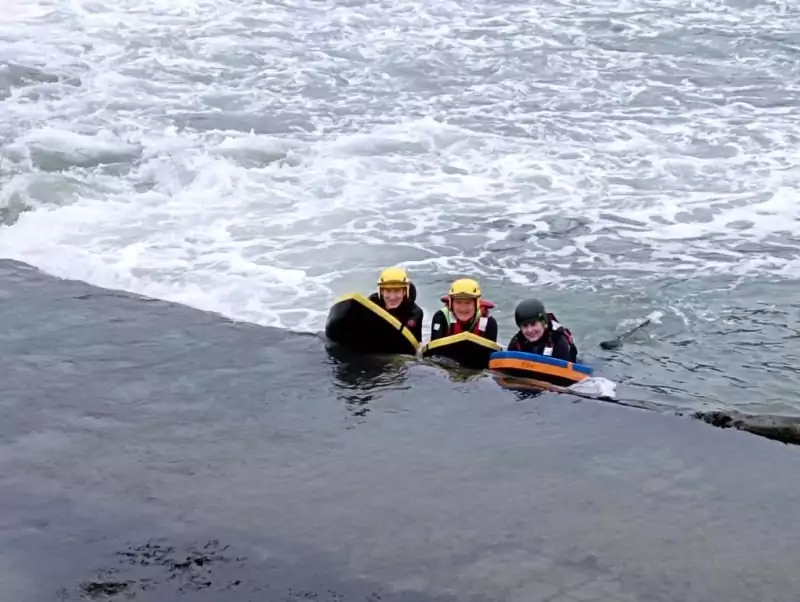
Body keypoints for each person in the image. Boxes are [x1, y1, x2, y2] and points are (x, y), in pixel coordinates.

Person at [507, 298, 578, 362]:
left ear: (543, 323)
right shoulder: (517, 341)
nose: (530, 330)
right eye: (525, 326)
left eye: (533, 324)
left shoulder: (558, 340)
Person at [430, 278, 498, 342]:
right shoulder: (441, 317)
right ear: (451, 303)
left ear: (477, 303)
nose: (463, 308)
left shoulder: (489, 322)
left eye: (468, 303)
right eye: (458, 302)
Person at [368, 267, 424, 341]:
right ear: (381, 292)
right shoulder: (371, 304)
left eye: (397, 291)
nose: (392, 297)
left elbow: (414, 343)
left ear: (405, 292)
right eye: (388, 291)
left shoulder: (414, 313)